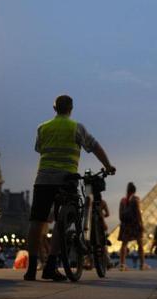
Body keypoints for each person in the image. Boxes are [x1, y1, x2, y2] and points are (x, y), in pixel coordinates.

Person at [24, 95, 116, 281]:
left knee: (36, 222)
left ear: (54, 108)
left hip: (43, 179)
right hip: (67, 179)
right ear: (71, 108)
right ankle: (51, 265)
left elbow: (40, 149)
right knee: (63, 221)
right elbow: (95, 147)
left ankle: (31, 268)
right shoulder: (76, 128)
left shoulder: (42, 128)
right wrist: (108, 165)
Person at [119, 182, 147, 270]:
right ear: (134, 190)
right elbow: (138, 213)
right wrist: (141, 224)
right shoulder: (136, 199)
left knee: (124, 244)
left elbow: (120, 215)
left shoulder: (123, 200)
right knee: (140, 244)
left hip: (125, 225)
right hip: (135, 224)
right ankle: (142, 264)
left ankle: (122, 264)